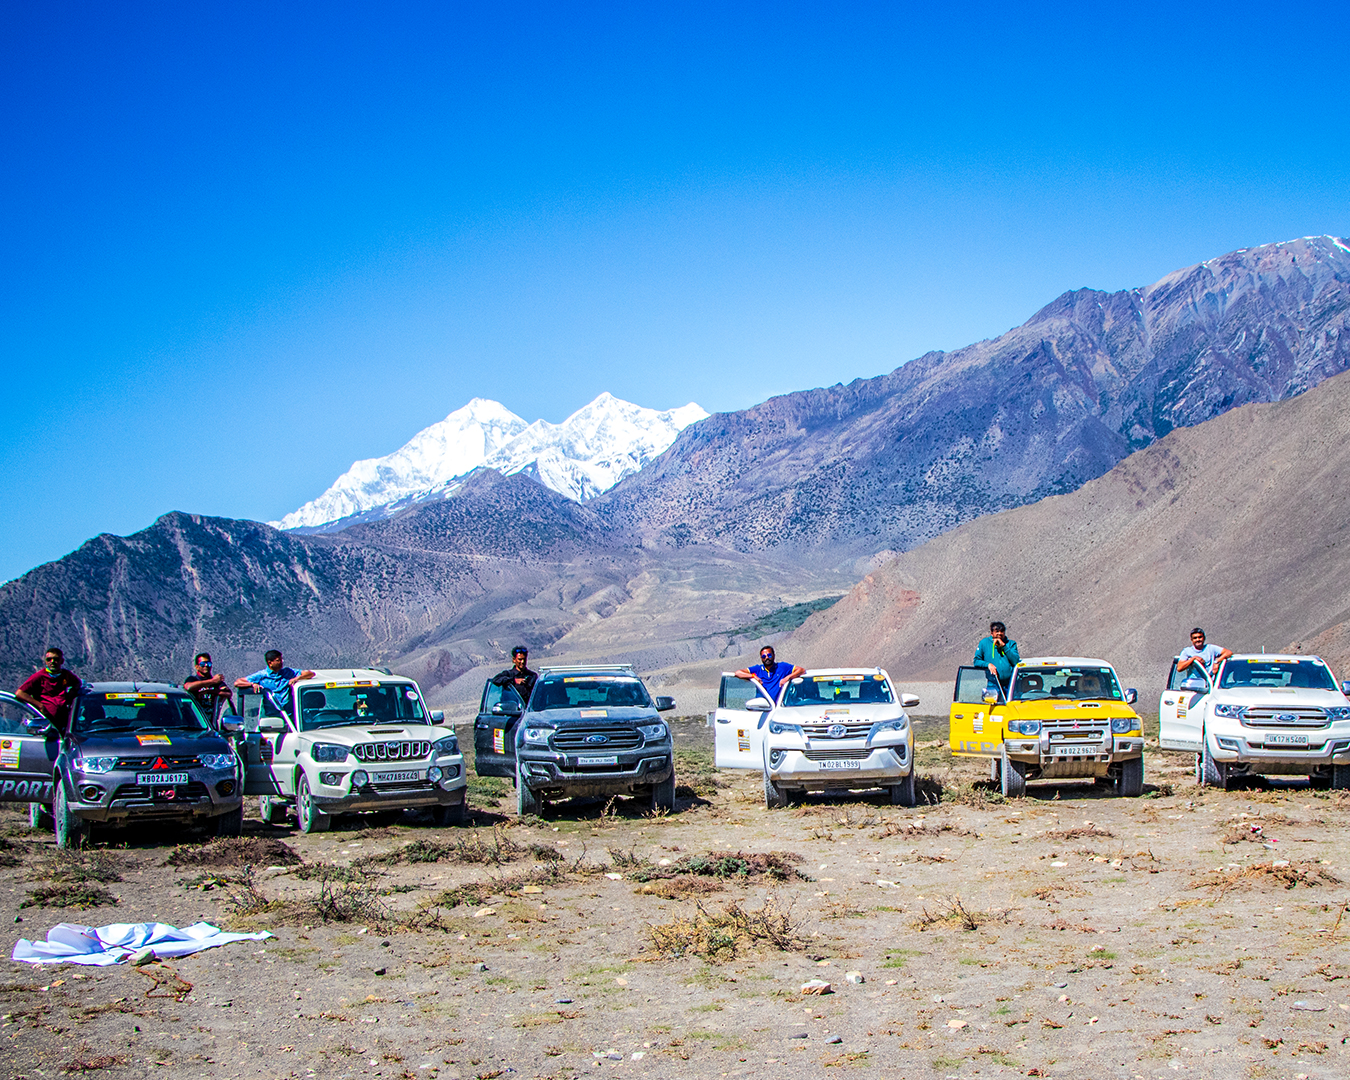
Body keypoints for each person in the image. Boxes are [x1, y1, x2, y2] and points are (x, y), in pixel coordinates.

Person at [15, 648, 80, 733]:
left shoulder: (66, 675)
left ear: (62, 661)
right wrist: (39, 705)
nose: (52, 662)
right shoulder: (39, 677)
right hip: (46, 724)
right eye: (49, 659)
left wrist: (72, 693)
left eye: (56, 659)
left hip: (65, 722)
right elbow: (20, 693)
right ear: (45, 661)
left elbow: (77, 682)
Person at [233, 650, 316, 714]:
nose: (281, 662)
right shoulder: (261, 675)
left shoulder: (288, 672)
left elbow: (310, 673)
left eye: (281, 659)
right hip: (270, 714)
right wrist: (252, 684)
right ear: (270, 663)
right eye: (278, 660)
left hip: (288, 713)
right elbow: (237, 683)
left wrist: (297, 678)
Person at [734, 646, 805, 704]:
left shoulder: (782, 667)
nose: (767, 658)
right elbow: (738, 673)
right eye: (764, 656)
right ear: (761, 658)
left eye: (769, 655)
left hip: (778, 707)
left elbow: (801, 670)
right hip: (762, 708)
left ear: (774, 655)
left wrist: (787, 678)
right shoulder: (757, 669)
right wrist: (753, 676)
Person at [974, 621, 1020, 697]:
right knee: (993, 704)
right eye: (997, 631)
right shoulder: (984, 643)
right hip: (993, 682)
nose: (999, 633)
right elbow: (976, 661)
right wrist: (988, 664)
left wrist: (1004, 646)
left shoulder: (1011, 644)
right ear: (992, 633)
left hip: (1010, 682)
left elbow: (1015, 661)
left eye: (1002, 631)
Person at [184, 652, 232, 721]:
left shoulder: (217, 683)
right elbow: (188, 687)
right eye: (203, 664)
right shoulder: (192, 679)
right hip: (196, 721)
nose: (206, 666)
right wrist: (212, 681)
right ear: (197, 666)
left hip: (211, 721)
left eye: (208, 664)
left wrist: (210, 691)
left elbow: (228, 693)